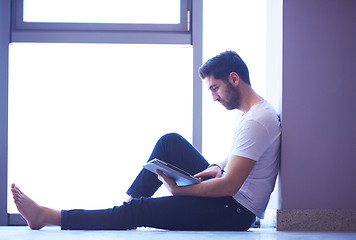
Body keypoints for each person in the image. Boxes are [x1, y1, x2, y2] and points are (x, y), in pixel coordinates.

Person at [11, 50, 281, 231]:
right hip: (230, 199)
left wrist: (180, 191)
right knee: (169, 142)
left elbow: (230, 185)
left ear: (233, 79)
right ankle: (126, 208)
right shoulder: (251, 114)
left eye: (215, 88)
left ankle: (48, 216)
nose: (214, 97)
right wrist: (216, 165)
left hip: (233, 212)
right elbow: (236, 162)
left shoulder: (257, 120)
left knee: (139, 210)